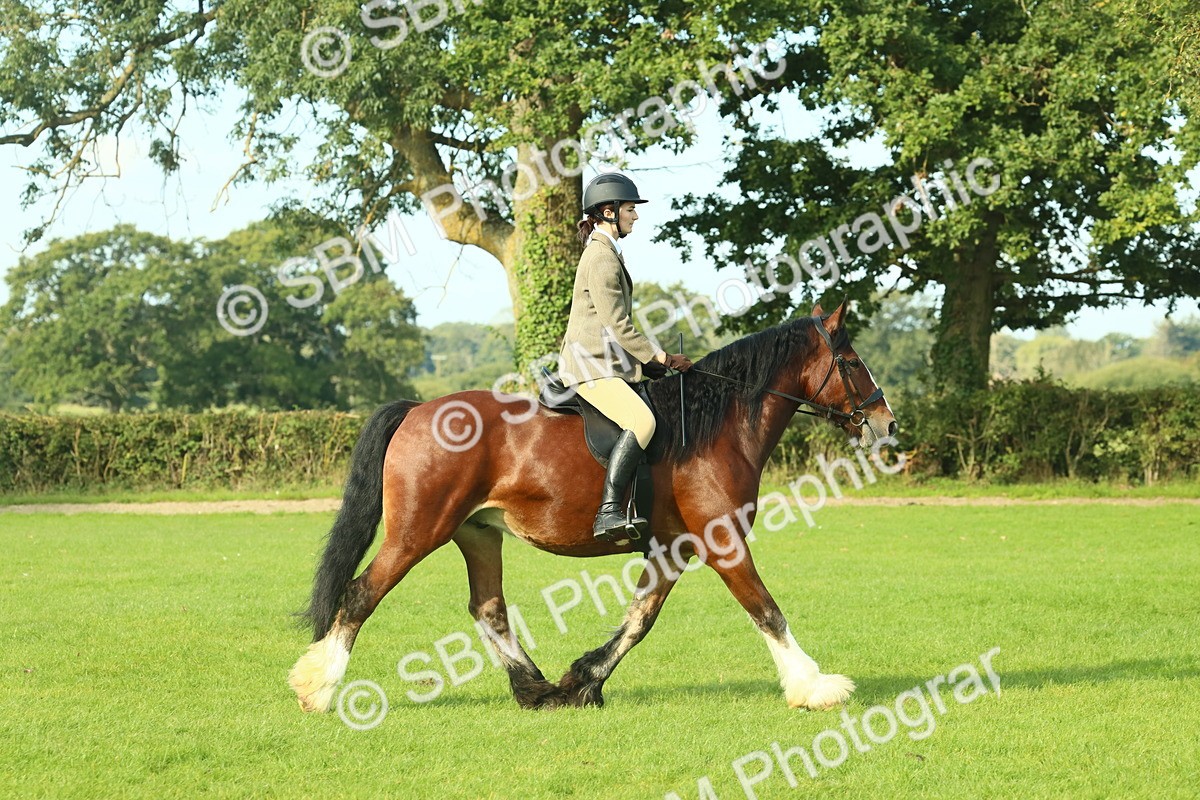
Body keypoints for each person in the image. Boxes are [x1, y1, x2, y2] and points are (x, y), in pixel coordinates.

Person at [557, 172, 692, 541]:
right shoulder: (600, 257)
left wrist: (645, 364)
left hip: (606, 362)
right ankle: (608, 513)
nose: (635, 216)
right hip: (590, 367)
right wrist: (661, 358)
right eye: (630, 209)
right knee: (642, 422)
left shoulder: (607, 253)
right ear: (608, 212)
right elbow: (617, 324)